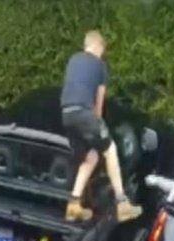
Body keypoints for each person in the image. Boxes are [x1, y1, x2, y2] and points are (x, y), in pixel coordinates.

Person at [60, 30, 143, 223]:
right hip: (84, 113)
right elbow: (99, 101)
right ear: (98, 47)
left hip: (66, 114)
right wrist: (99, 122)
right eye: (102, 50)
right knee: (110, 150)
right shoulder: (100, 66)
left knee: (90, 157)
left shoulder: (73, 60)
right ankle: (122, 204)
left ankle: (73, 205)